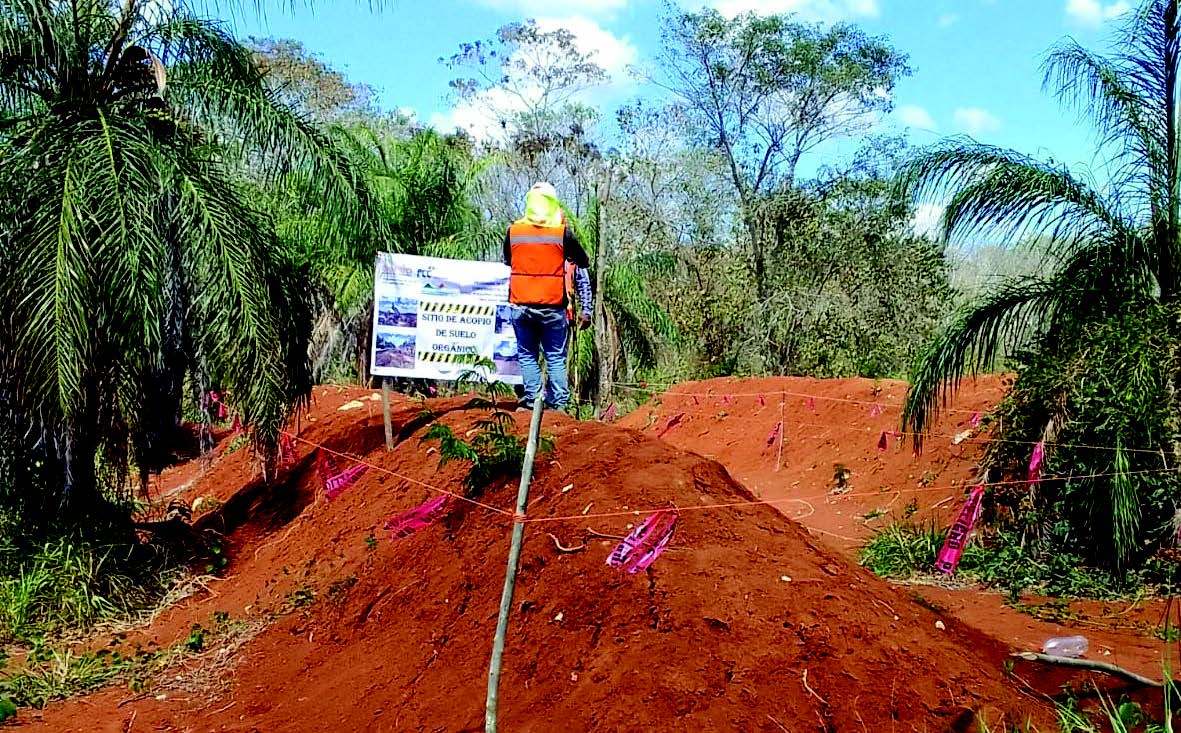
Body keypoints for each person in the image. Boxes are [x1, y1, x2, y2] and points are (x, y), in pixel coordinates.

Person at [503, 182, 591, 411]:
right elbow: (583, 261)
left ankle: (532, 401)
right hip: (552, 305)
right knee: (554, 355)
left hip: (521, 303)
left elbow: (507, 260)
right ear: (553, 204)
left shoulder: (513, 231)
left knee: (527, 353)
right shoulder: (561, 234)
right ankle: (558, 405)